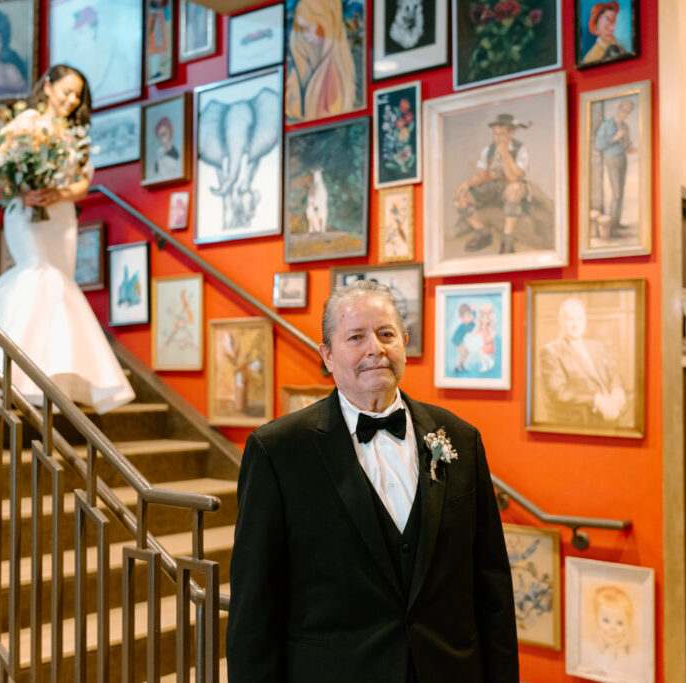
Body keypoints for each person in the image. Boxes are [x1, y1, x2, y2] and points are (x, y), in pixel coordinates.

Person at [227, 280, 519, 682]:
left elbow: (492, 586)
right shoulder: (277, 452)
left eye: (386, 334)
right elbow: (253, 610)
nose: (375, 349)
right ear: (327, 355)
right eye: (355, 337)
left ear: (404, 342)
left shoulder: (461, 438)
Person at [0, 65, 135, 414]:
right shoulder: (24, 124)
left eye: (77, 95)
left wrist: (60, 192)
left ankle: (51, 374)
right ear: (48, 87)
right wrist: (26, 192)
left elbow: (83, 182)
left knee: (58, 285)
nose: (71, 100)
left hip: (60, 216)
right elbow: (2, 172)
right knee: (38, 274)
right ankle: (14, 370)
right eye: (67, 91)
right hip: (27, 214)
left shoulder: (75, 132)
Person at [539, 297, 626, 426]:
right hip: (585, 419)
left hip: (613, 410)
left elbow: (614, 374)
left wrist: (617, 393)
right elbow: (559, 392)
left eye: (580, 318)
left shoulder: (596, 346)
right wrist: (597, 400)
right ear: (561, 322)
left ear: (585, 321)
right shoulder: (551, 351)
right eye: (570, 319)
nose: (576, 324)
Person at [453, 113, 531, 255]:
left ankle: (507, 239)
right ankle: (482, 233)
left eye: (501, 134)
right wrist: (468, 183)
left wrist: (505, 154)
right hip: (491, 187)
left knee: (515, 188)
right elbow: (481, 174)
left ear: (511, 133)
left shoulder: (520, 149)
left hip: (509, 187)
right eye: (495, 134)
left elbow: (514, 177)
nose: (497, 138)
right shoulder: (488, 150)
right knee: (461, 197)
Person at [285, 0, 356, 121]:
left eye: (308, 27)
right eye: (302, 29)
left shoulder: (336, 72)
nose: (305, 35)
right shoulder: (299, 69)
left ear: (325, 22)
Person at [593, 99, 635, 235]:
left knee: (620, 192)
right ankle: (612, 226)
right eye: (624, 111)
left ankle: (616, 222)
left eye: (628, 112)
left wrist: (629, 146)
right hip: (611, 159)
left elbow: (627, 145)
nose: (625, 114)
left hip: (622, 158)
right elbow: (598, 145)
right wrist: (614, 138)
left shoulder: (624, 126)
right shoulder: (607, 125)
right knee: (616, 192)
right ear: (619, 108)